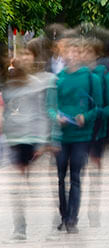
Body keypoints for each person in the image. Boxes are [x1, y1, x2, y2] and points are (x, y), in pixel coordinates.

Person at [1, 38, 56, 240]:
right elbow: (5, 110)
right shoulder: (9, 83)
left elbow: (42, 113)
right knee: (18, 185)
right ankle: (20, 226)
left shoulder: (38, 83)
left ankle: (52, 220)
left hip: (33, 138)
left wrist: (42, 142)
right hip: (15, 138)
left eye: (27, 54)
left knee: (35, 184)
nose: (23, 58)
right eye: (20, 55)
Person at [54, 32, 103, 234]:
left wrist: (86, 116)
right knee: (60, 177)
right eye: (68, 51)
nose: (72, 55)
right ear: (63, 55)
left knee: (75, 176)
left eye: (76, 51)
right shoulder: (58, 79)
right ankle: (64, 214)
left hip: (81, 136)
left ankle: (72, 218)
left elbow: (98, 107)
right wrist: (55, 116)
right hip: (62, 135)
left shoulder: (91, 79)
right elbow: (50, 106)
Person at [83, 34, 109, 228]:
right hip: (76, 130)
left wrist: (97, 113)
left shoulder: (106, 76)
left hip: (97, 130)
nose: (84, 55)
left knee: (94, 172)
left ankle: (93, 209)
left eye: (89, 52)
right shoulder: (74, 74)